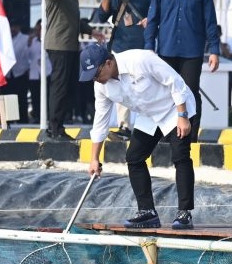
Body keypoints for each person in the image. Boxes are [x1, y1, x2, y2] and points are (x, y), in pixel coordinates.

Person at [80, 43, 197, 230]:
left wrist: (182, 116)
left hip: (175, 108)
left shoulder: (140, 59)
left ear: (108, 63)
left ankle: (184, 212)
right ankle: (147, 212)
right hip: (149, 115)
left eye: (96, 74)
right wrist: (94, 158)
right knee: (134, 157)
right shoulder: (101, 87)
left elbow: (175, 81)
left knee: (180, 155)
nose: (95, 79)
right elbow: (100, 121)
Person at [144, 0, 220, 134]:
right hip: (166, 51)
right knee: (166, 94)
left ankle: (191, 137)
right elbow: (152, 19)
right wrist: (149, 47)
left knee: (190, 93)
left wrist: (214, 50)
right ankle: (167, 136)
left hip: (192, 52)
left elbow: (210, 21)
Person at [93, 0, 155, 139]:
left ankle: (148, 127)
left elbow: (158, 12)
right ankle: (124, 126)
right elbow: (101, 17)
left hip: (141, 44)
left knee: (143, 86)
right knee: (120, 84)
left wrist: (151, 20)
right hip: (119, 44)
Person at [43, 0, 80, 141]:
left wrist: (92, 31)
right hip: (59, 45)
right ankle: (54, 128)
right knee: (59, 87)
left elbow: (74, 19)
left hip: (71, 45)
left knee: (68, 88)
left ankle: (60, 126)